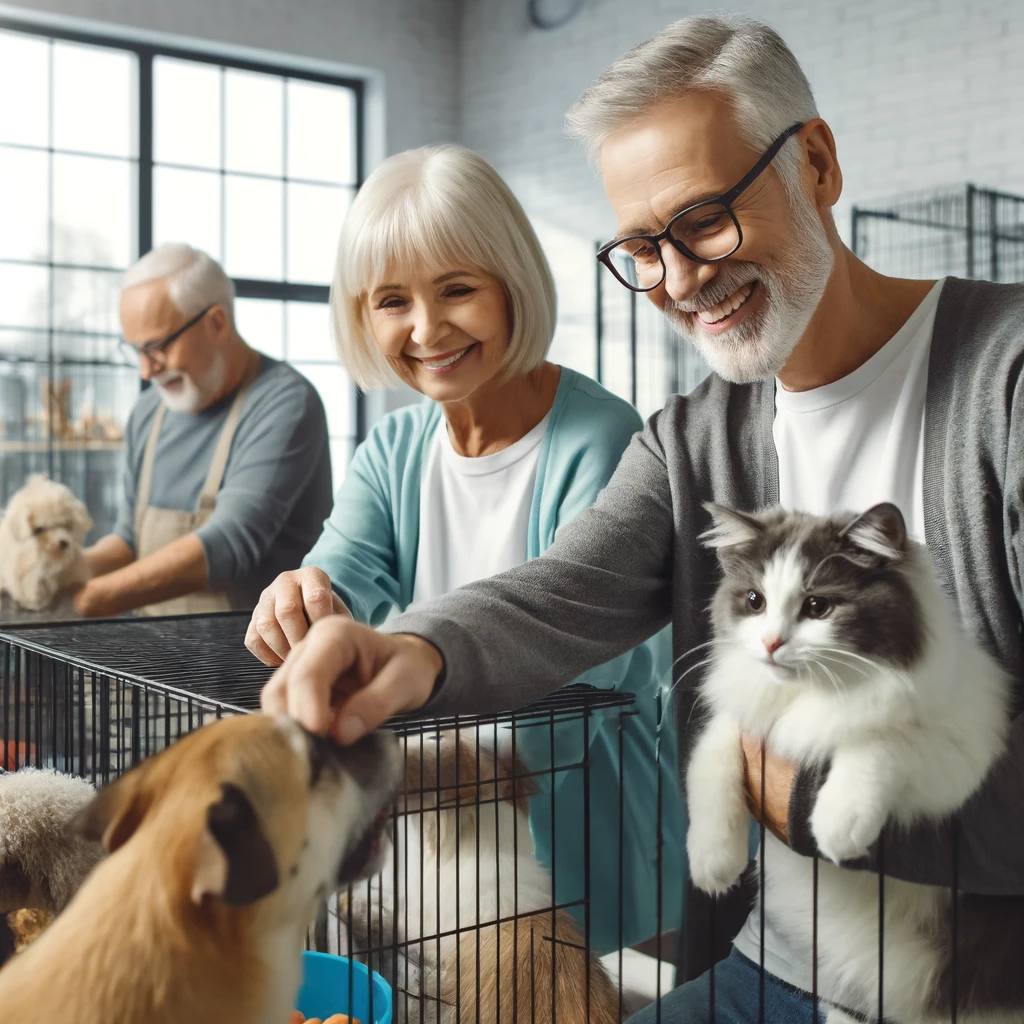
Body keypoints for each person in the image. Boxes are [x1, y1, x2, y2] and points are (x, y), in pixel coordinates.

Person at [261, 15, 1024, 1022]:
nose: (677, 278)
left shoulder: (1002, 381)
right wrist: (409, 651)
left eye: (703, 219)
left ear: (817, 162)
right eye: (641, 248)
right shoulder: (692, 437)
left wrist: (784, 789)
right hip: (778, 971)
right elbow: (557, 592)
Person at [245, 144, 684, 953]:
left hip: (574, 839)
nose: (425, 328)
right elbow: (340, 571)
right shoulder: (393, 449)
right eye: (391, 301)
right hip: (425, 839)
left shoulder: (603, 439)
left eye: (457, 289)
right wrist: (301, 598)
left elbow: (584, 668)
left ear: (513, 284)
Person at [75, 243, 332, 618]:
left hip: (249, 664)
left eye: (157, 347)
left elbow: (228, 544)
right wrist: (58, 577)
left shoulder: (286, 402)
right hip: (147, 656)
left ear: (216, 323)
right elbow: (128, 540)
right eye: (135, 351)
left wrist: (87, 600)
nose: (146, 372)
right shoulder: (150, 411)